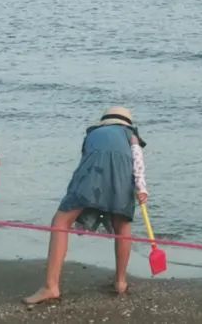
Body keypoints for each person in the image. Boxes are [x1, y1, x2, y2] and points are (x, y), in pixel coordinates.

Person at [24, 107, 149, 304]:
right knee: (122, 225)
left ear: (104, 122)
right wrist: (141, 188)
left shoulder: (93, 133)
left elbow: (86, 160)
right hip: (122, 178)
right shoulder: (131, 136)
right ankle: (120, 282)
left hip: (91, 174)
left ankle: (51, 286)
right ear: (127, 124)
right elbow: (137, 161)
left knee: (61, 221)